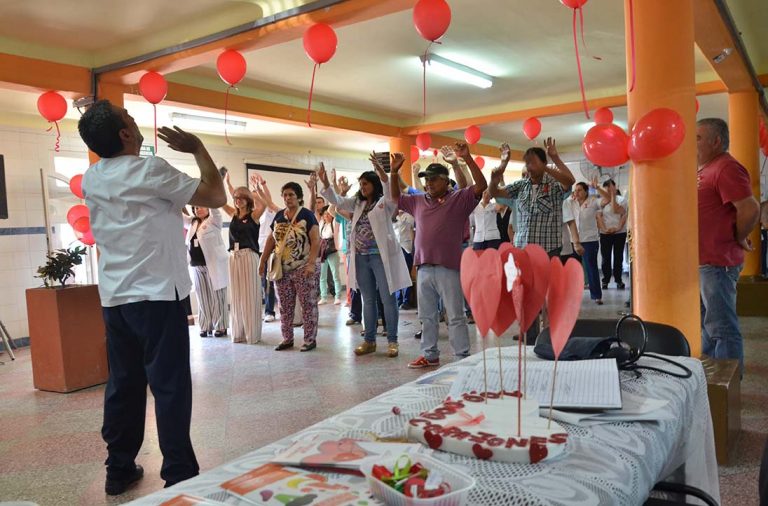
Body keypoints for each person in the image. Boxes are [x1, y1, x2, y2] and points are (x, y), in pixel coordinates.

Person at [78, 101, 226, 494]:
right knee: (170, 385)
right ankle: (178, 473)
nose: (134, 120)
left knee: (123, 385)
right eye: (128, 118)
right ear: (125, 134)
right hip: (157, 295)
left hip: (116, 299)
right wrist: (197, 148)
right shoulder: (150, 170)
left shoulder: (92, 177)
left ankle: (119, 468)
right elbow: (215, 195)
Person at [392, 142, 487, 369]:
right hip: (424, 267)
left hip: (449, 267)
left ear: (446, 181)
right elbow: (395, 198)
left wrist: (467, 158)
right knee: (426, 316)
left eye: (434, 179)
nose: (429, 183)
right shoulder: (418, 201)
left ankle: (461, 356)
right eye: (427, 179)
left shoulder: (458, 200)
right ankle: (430, 354)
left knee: (455, 315)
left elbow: (481, 186)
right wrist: (394, 172)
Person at [319, 157, 411, 358]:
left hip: (380, 257)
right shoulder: (357, 203)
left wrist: (384, 172)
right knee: (367, 299)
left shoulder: (384, 203)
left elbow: (389, 191)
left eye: (366, 183)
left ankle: (392, 341)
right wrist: (325, 183)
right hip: (361, 257)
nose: (362, 187)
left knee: (387, 299)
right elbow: (337, 201)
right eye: (360, 184)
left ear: (374, 184)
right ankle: (369, 340)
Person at [489, 137, 575, 340]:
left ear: (543, 163)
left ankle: (550, 337)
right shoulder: (521, 186)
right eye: (527, 162)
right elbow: (495, 193)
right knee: (527, 295)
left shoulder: (554, 185)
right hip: (524, 251)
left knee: (549, 296)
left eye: (533, 161)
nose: (529, 166)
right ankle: (530, 336)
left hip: (548, 249)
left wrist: (554, 158)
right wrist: (497, 173)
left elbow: (569, 181)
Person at [696, 118, 760, 375]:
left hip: (717, 263)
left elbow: (750, 208)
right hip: (705, 262)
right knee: (708, 326)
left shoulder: (726, 167)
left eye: (698, 138)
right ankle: (712, 379)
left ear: (716, 141)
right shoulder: (707, 168)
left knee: (721, 328)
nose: (692, 144)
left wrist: (738, 236)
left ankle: (728, 383)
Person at [258, 181, 320, 352]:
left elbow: (316, 240)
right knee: (284, 306)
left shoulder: (307, 215)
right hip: (282, 269)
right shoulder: (279, 216)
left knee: (307, 305)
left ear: (299, 197)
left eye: (291, 194)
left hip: (303, 267)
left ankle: (310, 339)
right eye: (285, 195)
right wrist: (262, 260)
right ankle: (287, 338)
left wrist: (311, 264)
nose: (287, 198)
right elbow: (271, 239)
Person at [223, 174, 265, 344]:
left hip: (249, 255)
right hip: (234, 256)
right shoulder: (233, 214)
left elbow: (263, 204)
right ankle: (239, 333)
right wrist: (227, 184)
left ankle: (252, 334)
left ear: (247, 200)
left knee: (249, 295)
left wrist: (256, 190)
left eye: (241, 198)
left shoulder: (254, 215)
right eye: (236, 198)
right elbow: (221, 201)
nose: (238, 200)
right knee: (237, 296)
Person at [183, 206, 229, 337]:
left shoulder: (214, 220)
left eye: (202, 206)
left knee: (217, 296)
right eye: (196, 208)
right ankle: (205, 326)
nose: (198, 209)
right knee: (202, 297)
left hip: (213, 265)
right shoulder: (193, 222)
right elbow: (180, 216)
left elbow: (215, 209)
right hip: (196, 265)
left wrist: (206, 198)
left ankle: (221, 326)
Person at [568, 182, 603, 304]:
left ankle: (596, 295)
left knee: (591, 268)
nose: (576, 192)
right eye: (575, 190)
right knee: (573, 269)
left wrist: (597, 187)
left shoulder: (593, 201)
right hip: (574, 240)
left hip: (590, 240)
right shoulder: (571, 202)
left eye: (579, 190)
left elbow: (607, 200)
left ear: (586, 191)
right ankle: (573, 296)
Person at [597, 179, 628, 289]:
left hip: (620, 232)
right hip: (605, 233)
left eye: (611, 188)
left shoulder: (622, 200)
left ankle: (618, 280)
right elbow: (599, 217)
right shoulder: (601, 201)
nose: (609, 191)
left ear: (615, 187)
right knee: (606, 257)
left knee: (618, 257)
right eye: (607, 190)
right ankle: (605, 280)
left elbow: (623, 215)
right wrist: (605, 229)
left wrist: (618, 228)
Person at [318, 205, 343, 305]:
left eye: (328, 214)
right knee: (322, 276)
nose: (326, 216)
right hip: (323, 252)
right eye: (325, 214)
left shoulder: (334, 223)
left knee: (335, 275)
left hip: (332, 251)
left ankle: (338, 296)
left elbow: (334, 211)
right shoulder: (322, 224)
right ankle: (323, 297)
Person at [393, 210, 416, 309]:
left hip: (407, 249)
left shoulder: (409, 216)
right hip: (395, 249)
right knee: (397, 275)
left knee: (406, 275)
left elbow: (412, 233)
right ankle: (398, 299)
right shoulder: (393, 217)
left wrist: (413, 250)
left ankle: (406, 301)